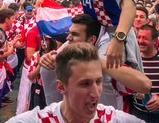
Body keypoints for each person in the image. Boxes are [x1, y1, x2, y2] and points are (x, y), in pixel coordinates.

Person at [8, 43, 144, 122]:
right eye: (85, 84)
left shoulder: (111, 119)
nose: (96, 93)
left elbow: (145, 86)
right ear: (61, 87)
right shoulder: (36, 120)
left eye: (98, 81)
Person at [39, 14, 151, 109]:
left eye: (75, 34)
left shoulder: (105, 71)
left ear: (91, 40)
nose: (68, 38)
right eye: (69, 33)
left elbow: (144, 85)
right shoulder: (66, 65)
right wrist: (46, 62)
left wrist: (93, 59)